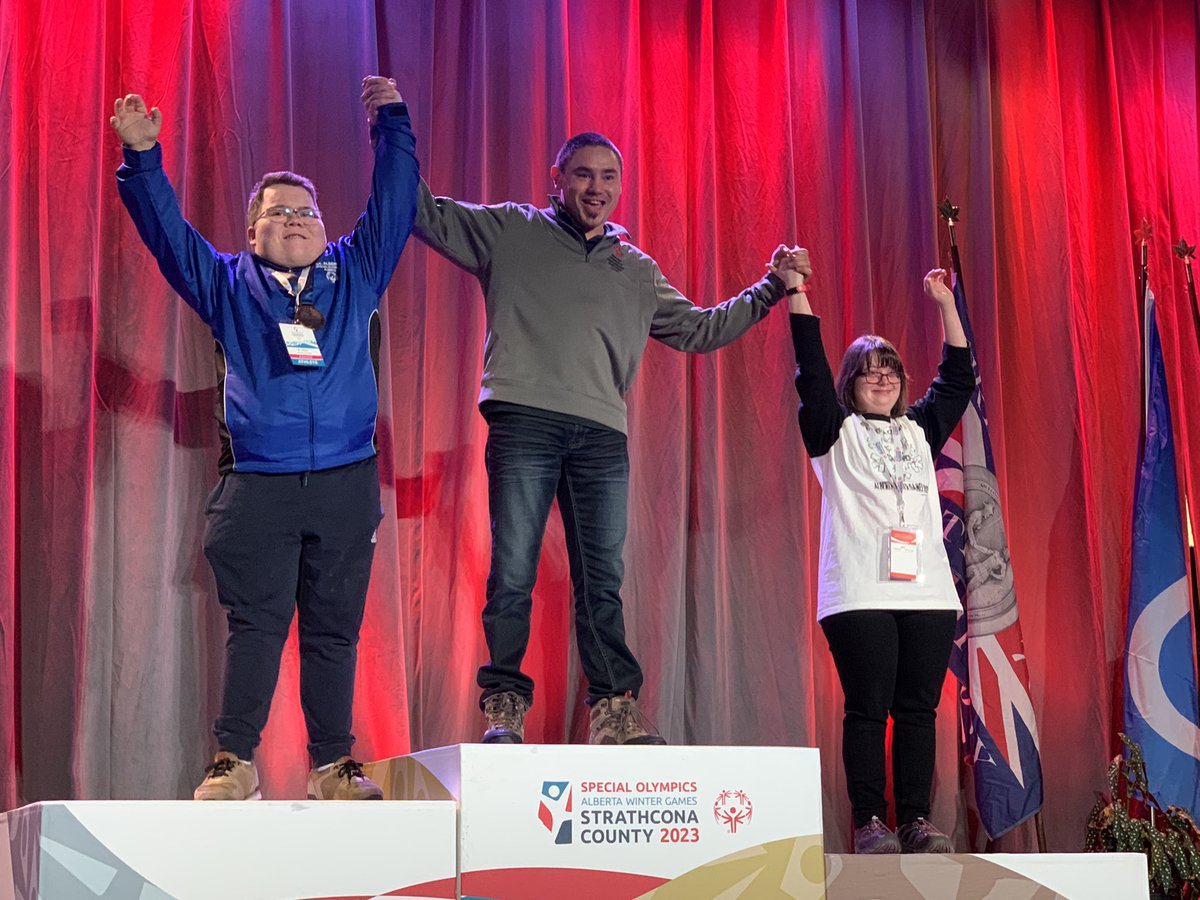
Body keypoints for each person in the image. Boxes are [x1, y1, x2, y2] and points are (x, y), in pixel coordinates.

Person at [415, 132, 808, 745]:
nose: (595, 188)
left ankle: (612, 711)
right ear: (557, 177)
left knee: (601, 578)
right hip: (525, 420)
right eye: (582, 175)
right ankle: (504, 705)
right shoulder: (510, 230)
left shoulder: (636, 268)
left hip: (601, 433)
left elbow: (699, 330)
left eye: (607, 177)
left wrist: (770, 288)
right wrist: (392, 129)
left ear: (619, 188)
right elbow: (423, 213)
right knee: (514, 569)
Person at [110, 77, 419, 800]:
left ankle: (333, 766)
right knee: (256, 627)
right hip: (258, 483)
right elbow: (166, 236)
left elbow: (396, 202)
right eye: (279, 213)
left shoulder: (356, 271)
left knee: (334, 630)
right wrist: (145, 161)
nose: (297, 221)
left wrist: (393, 125)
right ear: (252, 233)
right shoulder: (224, 282)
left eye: (306, 210)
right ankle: (234, 761)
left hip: (346, 481)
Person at [783, 251, 973, 853]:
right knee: (868, 708)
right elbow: (811, 373)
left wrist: (946, 307)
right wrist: (796, 292)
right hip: (860, 594)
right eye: (870, 371)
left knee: (918, 712)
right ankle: (869, 822)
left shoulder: (919, 429)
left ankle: (915, 821)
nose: (884, 379)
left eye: (891, 370)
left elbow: (959, 378)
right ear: (852, 384)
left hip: (929, 593)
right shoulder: (832, 434)